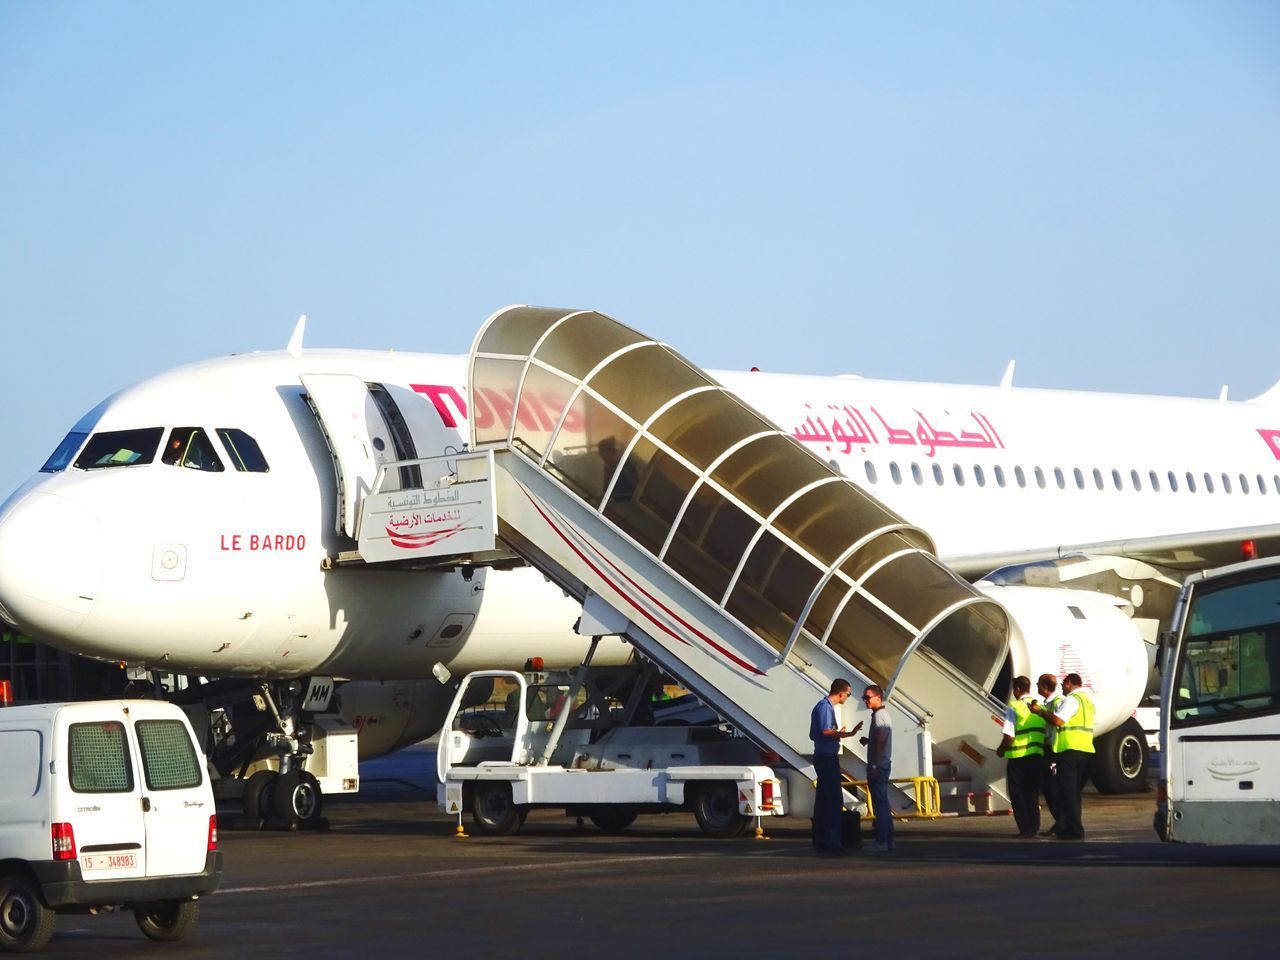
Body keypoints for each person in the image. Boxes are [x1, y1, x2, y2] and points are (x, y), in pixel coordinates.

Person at [1030, 672, 1094, 840]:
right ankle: (1072, 827)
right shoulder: (1087, 701)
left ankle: (1074, 830)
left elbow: (1058, 721)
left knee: (1068, 792)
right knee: (1074, 793)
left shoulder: (1071, 700)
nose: (1062, 687)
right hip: (1085, 750)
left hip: (1069, 750)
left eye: (1064, 684)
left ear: (1070, 683)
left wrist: (1040, 712)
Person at [809, 678, 862, 854]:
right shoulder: (825, 707)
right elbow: (825, 731)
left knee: (823, 800)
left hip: (822, 756)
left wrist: (838, 733)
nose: (847, 698)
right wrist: (845, 733)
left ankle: (821, 839)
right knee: (833, 799)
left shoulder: (822, 707)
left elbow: (813, 734)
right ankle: (832, 841)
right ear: (841, 693)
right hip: (827, 757)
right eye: (848, 694)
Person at [996, 676, 1045, 839]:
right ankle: (1034, 827)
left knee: (1018, 794)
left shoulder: (1014, 707)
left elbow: (1009, 736)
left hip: (1018, 757)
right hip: (1036, 755)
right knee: (1032, 793)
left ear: (1017, 690)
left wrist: (1001, 750)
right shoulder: (1039, 706)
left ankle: (1025, 828)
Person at [859, 684, 894, 853]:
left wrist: (874, 764)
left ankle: (881, 841)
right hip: (884, 764)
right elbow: (879, 740)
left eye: (867, 697)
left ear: (878, 698)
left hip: (878, 766)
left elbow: (880, 742)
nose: (865, 701)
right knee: (883, 803)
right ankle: (889, 839)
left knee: (880, 804)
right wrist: (869, 741)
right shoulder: (884, 715)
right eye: (864, 698)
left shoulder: (879, 716)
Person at [1035, 673, 1062, 832]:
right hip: (1049, 749)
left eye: (1038, 684)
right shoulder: (1049, 703)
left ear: (1045, 687)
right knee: (1049, 789)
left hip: (1054, 750)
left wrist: (1040, 712)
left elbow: (1056, 722)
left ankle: (1062, 821)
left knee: (1053, 789)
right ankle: (1060, 821)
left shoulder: (1057, 703)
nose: (1036, 687)